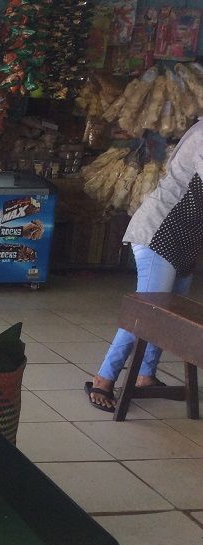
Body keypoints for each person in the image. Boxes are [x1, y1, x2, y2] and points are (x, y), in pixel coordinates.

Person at [85, 121, 203, 411]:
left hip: (186, 236)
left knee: (168, 311)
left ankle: (145, 375)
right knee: (147, 310)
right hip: (160, 230)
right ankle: (104, 378)